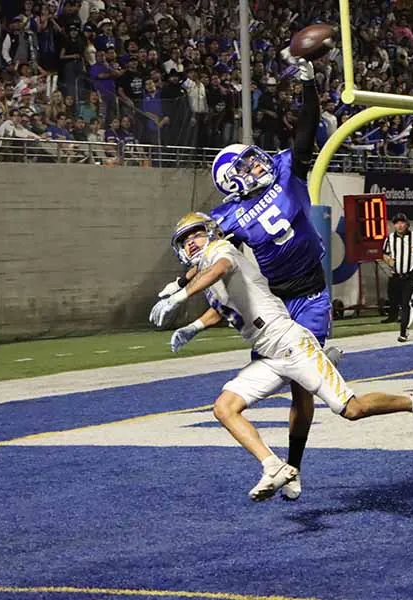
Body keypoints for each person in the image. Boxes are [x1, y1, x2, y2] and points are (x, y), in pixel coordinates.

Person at [151, 212, 413, 501]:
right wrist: (193, 326)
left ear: (211, 234)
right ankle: (274, 466)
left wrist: (181, 294)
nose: (191, 242)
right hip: (269, 354)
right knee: (224, 408)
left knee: (352, 409)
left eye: (196, 234)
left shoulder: (221, 251)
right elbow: (223, 308)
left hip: (291, 343)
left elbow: (219, 267)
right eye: (185, 239)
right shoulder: (207, 270)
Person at [153, 49, 330, 501]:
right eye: (246, 167)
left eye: (253, 160)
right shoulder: (225, 216)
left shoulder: (285, 170)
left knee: (302, 389)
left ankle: (293, 463)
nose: (258, 165)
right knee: (284, 385)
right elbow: (204, 252)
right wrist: (179, 289)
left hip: (309, 295)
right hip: (273, 301)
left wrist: (308, 82)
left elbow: (307, 130)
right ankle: (283, 466)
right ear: (232, 182)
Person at [380, 213, 413, 342]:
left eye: (402, 223)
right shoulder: (390, 238)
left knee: (406, 302)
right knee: (399, 302)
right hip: (397, 275)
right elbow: (384, 253)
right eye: (397, 223)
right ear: (394, 225)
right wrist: (388, 260)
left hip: (411, 274)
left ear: (406, 224)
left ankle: (403, 332)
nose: (400, 225)